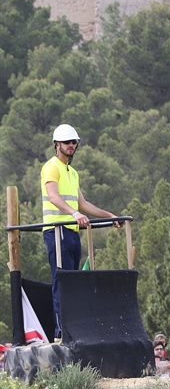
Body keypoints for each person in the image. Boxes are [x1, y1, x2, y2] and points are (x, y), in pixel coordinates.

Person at [39, 123, 117, 336]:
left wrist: (108, 215)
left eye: (74, 142)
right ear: (57, 145)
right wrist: (74, 214)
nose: (71, 145)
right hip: (56, 232)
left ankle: (75, 329)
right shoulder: (51, 167)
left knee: (73, 283)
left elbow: (82, 204)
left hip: (72, 233)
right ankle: (61, 332)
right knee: (62, 281)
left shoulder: (72, 172)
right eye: (67, 142)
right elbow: (54, 197)